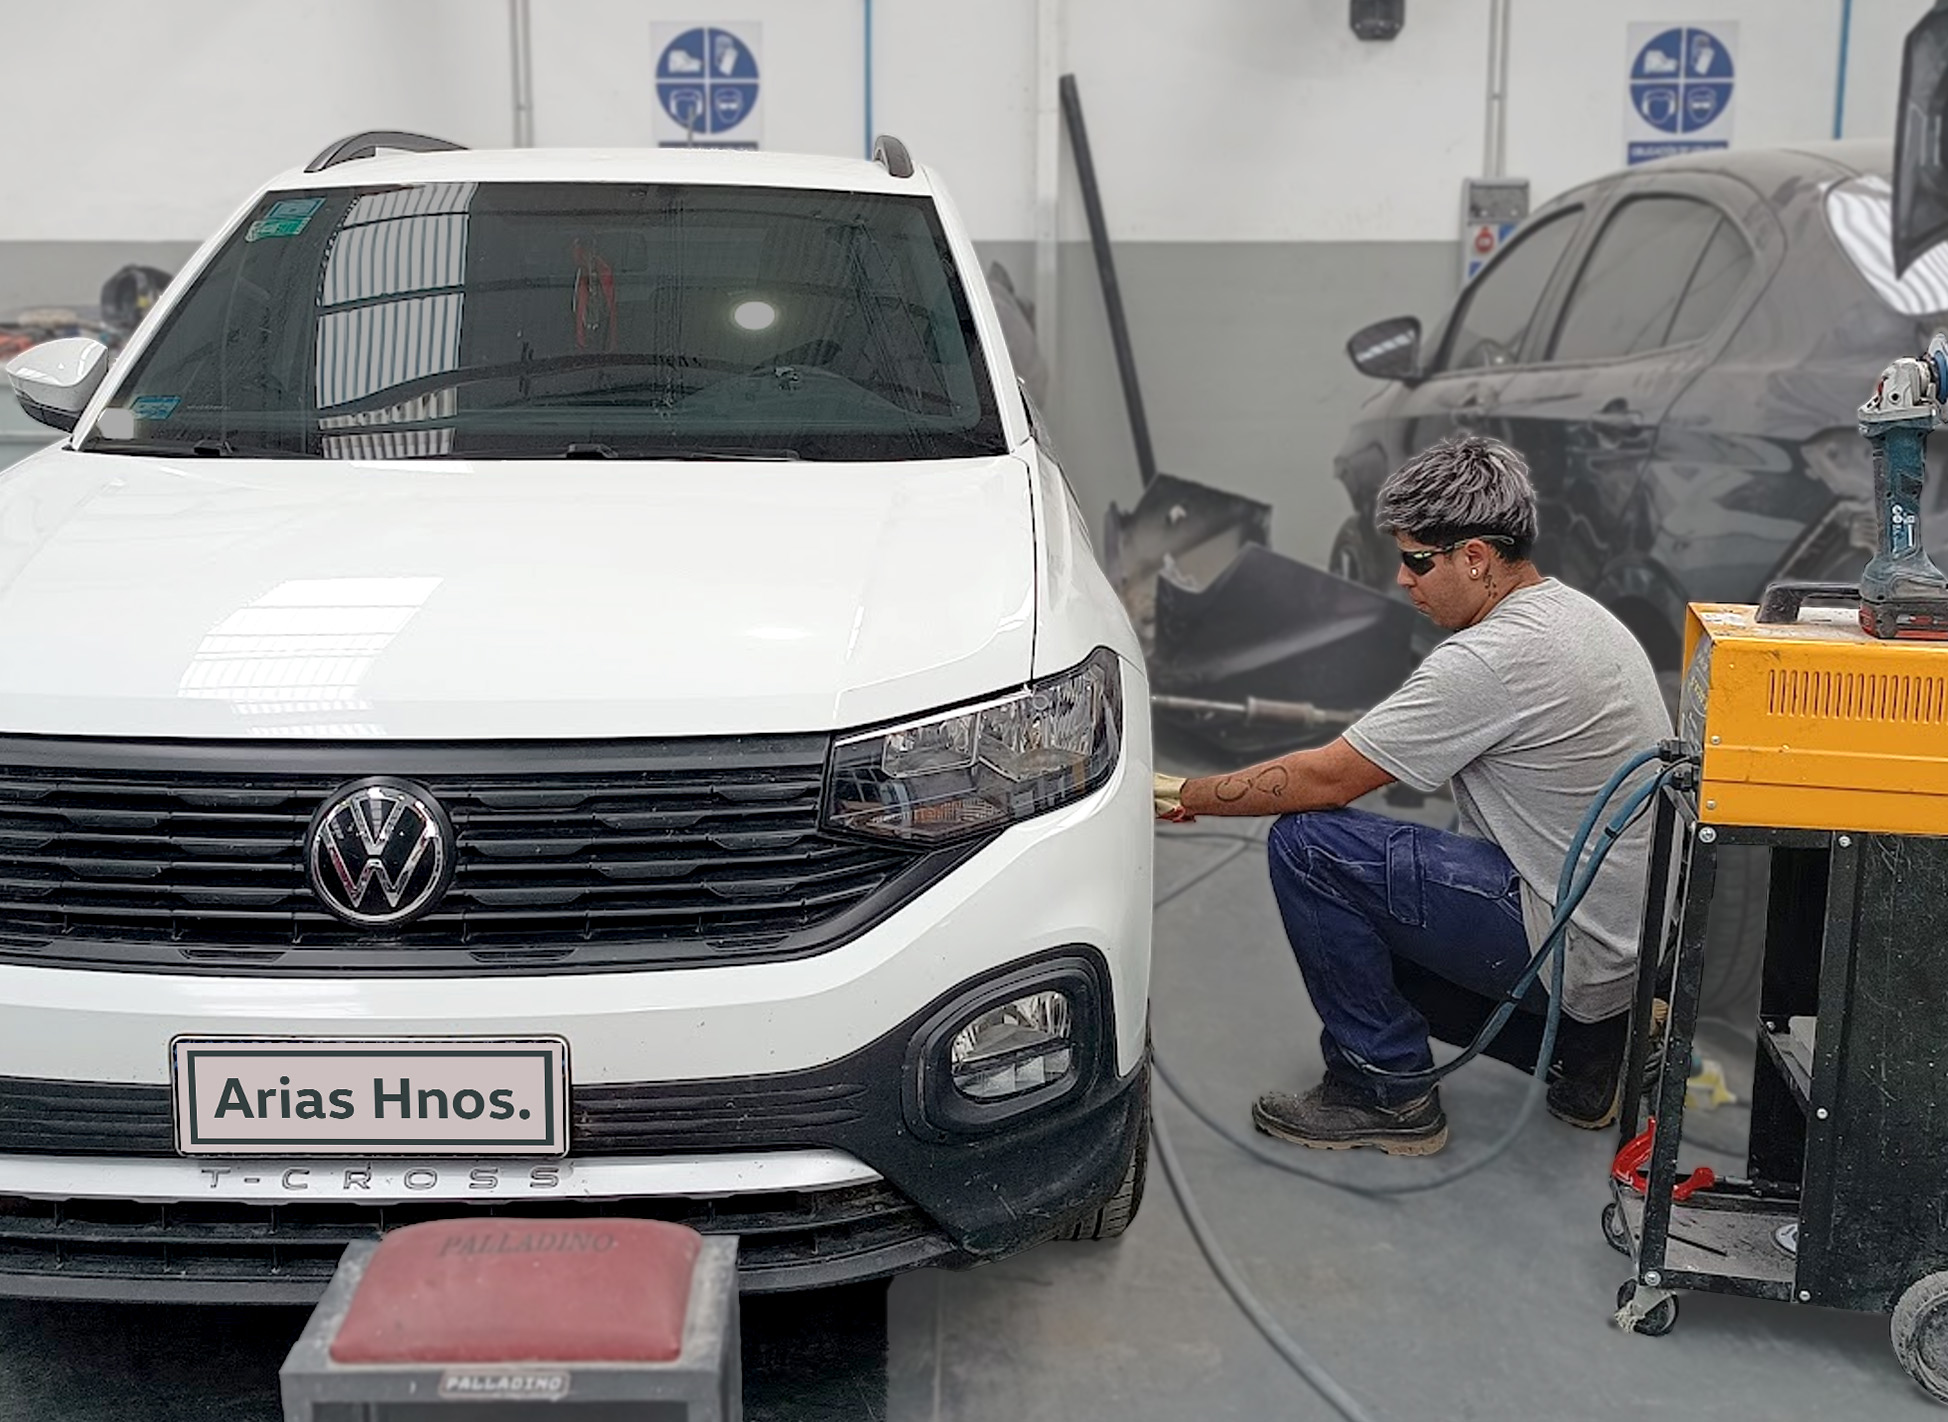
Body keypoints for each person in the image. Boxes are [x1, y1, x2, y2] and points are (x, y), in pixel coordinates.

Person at [1153, 435, 1669, 1156]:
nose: (1402, 579)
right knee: (1373, 925)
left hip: (1567, 939)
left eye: (1418, 560)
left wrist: (1184, 792)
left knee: (1310, 849)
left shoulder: (1491, 660)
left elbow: (1329, 778)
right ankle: (1592, 1057)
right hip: (1620, 947)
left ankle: (1383, 1093)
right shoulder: (1578, 616)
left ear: (1477, 558)